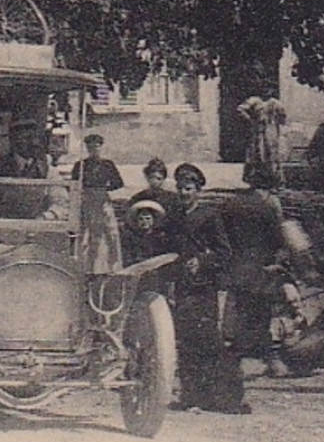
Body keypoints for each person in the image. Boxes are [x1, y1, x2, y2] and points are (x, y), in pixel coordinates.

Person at [170, 163, 249, 414]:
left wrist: (203, 261)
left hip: (204, 288)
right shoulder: (175, 216)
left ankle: (223, 397)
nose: (184, 193)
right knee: (185, 341)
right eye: (181, 188)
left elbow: (224, 251)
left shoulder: (209, 216)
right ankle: (190, 395)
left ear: (199, 190)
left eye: (189, 188)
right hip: (182, 287)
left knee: (207, 340)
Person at [221, 161, 290, 375]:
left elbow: (223, 234)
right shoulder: (271, 203)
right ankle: (271, 358)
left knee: (241, 312)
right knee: (264, 312)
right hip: (264, 267)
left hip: (239, 266)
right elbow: (280, 237)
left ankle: (239, 360)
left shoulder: (232, 203)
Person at [70, 133, 125, 274]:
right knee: (86, 233)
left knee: (108, 232)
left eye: (96, 146)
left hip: (102, 200)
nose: (93, 149)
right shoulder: (81, 165)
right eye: (90, 147)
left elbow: (118, 183)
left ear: (101, 147)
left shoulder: (107, 164)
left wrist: (102, 189)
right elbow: (73, 183)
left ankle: (109, 266)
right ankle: (85, 266)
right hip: (86, 200)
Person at [121, 199, 172, 265]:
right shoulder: (132, 239)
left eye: (148, 218)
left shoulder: (161, 238)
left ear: (154, 220)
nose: (144, 222)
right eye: (141, 219)